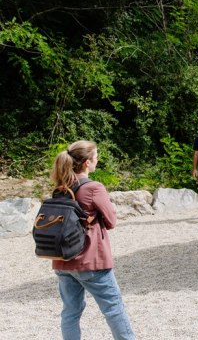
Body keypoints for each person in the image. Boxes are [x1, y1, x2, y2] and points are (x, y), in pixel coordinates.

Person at [50, 140, 136, 339]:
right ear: (87, 162)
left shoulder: (61, 187)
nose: (97, 161)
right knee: (114, 308)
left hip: (62, 261)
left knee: (70, 312)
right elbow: (112, 221)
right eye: (96, 158)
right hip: (90, 260)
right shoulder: (93, 188)